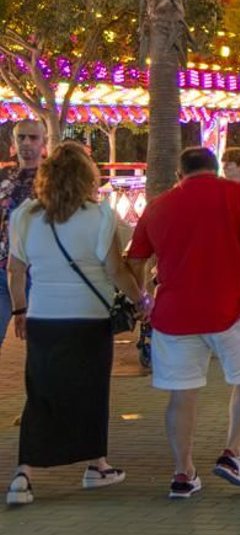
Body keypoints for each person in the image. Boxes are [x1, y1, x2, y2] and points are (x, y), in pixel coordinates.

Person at [126, 147, 240, 499]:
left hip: (174, 315)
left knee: (182, 395)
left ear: (179, 175)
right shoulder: (239, 193)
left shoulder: (158, 205)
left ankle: (183, 473)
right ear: (215, 169)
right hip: (233, 309)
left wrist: (142, 299)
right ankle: (233, 453)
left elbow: (135, 260)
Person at [5, 144, 146, 506]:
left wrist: (20, 311)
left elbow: (15, 270)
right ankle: (96, 465)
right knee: (91, 392)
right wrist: (140, 299)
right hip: (89, 318)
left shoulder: (24, 215)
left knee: (40, 393)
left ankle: (23, 476)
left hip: (42, 316)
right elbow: (115, 270)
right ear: (87, 178)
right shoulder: (99, 216)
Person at [1, 120, 46, 358]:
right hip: (3, 270)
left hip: (39, 274)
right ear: (13, 142)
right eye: (21, 137)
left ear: (43, 142)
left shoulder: (54, 179)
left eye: (33, 137)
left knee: (42, 348)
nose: (26, 143)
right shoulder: (4, 176)